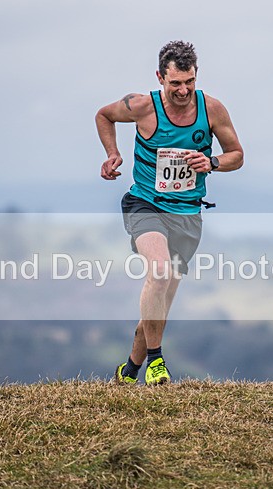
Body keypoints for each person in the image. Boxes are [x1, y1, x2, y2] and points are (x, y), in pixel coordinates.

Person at [95, 40, 244, 385]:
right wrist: (112, 153)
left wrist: (212, 162)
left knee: (159, 300)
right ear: (160, 77)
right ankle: (156, 362)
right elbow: (103, 115)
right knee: (159, 273)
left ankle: (128, 371)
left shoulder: (213, 109)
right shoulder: (142, 106)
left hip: (187, 213)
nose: (183, 90)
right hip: (144, 204)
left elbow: (237, 154)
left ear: (196, 76)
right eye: (175, 82)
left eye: (189, 81)